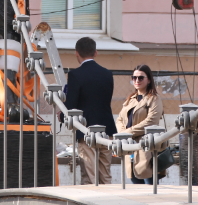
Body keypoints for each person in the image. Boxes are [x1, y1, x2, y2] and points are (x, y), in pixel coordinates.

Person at [64, 37, 118, 185]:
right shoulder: (107, 74)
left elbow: (71, 106)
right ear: (95, 53)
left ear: (76, 53)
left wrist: (62, 116)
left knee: (89, 176)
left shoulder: (75, 75)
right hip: (107, 129)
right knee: (105, 176)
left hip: (86, 131)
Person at [116, 64, 163, 185]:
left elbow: (151, 121)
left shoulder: (154, 99)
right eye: (134, 77)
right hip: (130, 148)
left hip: (147, 148)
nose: (137, 80)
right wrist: (122, 134)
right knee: (136, 189)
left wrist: (127, 133)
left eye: (141, 78)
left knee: (150, 187)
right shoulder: (130, 99)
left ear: (149, 80)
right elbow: (119, 119)